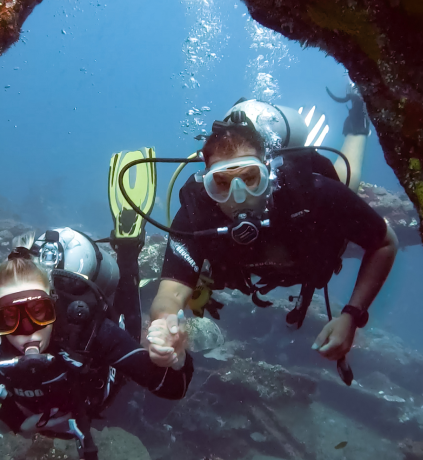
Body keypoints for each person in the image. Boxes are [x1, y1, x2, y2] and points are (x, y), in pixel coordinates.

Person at [0, 151, 192, 460]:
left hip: (101, 396)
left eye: (38, 311)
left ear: (54, 304)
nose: (26, 330)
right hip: (52, 413)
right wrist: (16, 419)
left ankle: (127, 250)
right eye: (9, 317)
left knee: (130, 325)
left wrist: (176, 358)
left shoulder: (90, 332)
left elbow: (173, 388)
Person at [147, 91, 398, 375]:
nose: (237, 197)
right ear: (206, 183)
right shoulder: (197, 214)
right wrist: (165, 325)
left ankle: (356, 122)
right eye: (221, 183)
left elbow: (385, 242)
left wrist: (352, 315)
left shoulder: (311, 193)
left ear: (270, 171)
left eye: (250, 178)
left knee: (346, 179)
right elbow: (171, 292)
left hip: (313, 231)